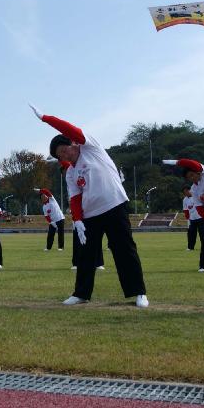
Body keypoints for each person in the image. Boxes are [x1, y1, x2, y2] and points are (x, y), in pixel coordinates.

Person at [30, 103, 148, 307]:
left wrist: (45, 118)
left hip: (115, 206)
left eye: (64, 149)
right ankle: (81, 293)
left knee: (123, 249)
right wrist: (78, 221)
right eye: (59, 156)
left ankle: (138, 292)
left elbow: (69, 129)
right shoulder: (70, 173)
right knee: (85, 254)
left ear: (73, 143)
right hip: (91, 216)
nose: (64, 156)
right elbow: (75, 198)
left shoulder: (90, 147)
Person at [181, 186, 200, 251]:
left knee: (203, 233)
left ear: (190, 190)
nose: (185, 193)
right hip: (192, 219)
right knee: (191, 234)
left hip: (200, 218)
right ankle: (190, 247)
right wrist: (188, 219)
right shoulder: (185, 200)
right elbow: (185, 210)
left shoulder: (196, 196)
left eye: (186, 191)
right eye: (184, 192)